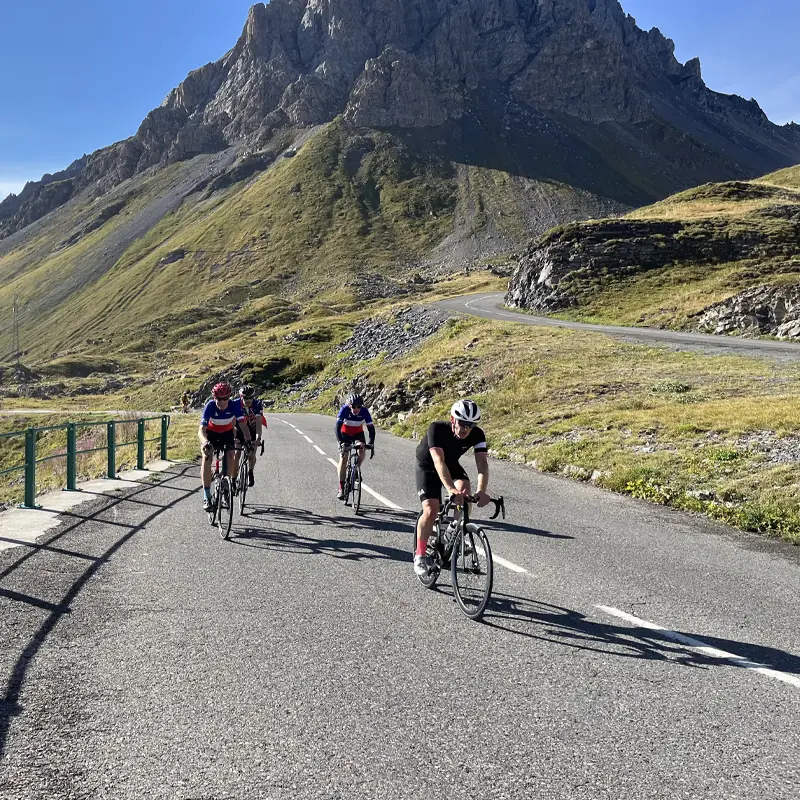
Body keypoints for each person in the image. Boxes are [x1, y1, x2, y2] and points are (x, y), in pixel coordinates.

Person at [413, 399, 490, 577]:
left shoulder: (477, 434)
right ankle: (420, 555)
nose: (466, 429)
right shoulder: (437, 429)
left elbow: (482, 464)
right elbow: (438, 461)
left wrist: (482, 491)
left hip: (450, 464)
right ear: (453, 420)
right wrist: (450, 489)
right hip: (428, 465)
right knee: (431, 510)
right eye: (462, 423)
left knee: (465, 491)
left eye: (470, 425)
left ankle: (453, 530)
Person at [198, 382, 246, 511]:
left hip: (227, 434)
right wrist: (205, 442)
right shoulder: (210, 405)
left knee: (231, 455)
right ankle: (207, 496)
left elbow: (243, 425)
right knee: (207, 457)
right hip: (211, 434)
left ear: (229, 397)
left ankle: (225, 488)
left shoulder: (234, 405)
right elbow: (201, 429)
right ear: (215, 397)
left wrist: (247, 441)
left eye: (225, 398)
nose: (223, 402)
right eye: (219, 399)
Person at [335, 393, 375, 500]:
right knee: (343, 458)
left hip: (358, 434)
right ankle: (341, 487)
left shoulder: (364, 411)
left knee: (362, 449)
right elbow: (337, 427)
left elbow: (371, 429)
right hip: (344, 434)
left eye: (359, 406)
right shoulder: (344, 410)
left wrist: (371, 443)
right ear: (349, 405)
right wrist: (341, 442)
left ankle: (357, 468)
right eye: (353, 406)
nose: (356, 409)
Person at [234, 384, 265, 487]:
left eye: (250, 397)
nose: (248, 400)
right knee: (237, 454)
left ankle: (250, 472)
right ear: (241, 397)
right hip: (239, 431)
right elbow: (231, 422)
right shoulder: (235, 404)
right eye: (245, 398)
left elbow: (259, 423)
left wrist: (258, 438)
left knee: (251, 455)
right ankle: (233, 479)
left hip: (252, 431)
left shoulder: (257, 404)